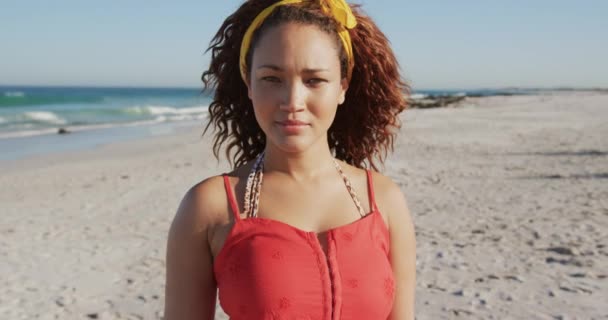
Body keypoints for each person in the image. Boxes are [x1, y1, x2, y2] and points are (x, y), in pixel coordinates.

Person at [164, 0, 416, 319]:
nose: (292, 101)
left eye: (314, 80)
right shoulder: (210, 206)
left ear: (342, 86)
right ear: (249, 83)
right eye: (272, 79)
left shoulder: (383, 200)